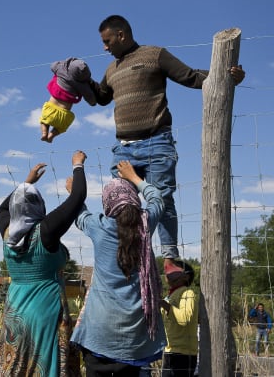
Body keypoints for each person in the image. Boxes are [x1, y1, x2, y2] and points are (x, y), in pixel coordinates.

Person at [87, 14, 246, 268]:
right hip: (123, 149)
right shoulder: (111, 69)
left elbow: (190, 76)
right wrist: (80, 80)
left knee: (161, 199)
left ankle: (170, 259)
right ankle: (128, 254)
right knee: (120, 200)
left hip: (156, 141)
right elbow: (101, 97)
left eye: (107, 41)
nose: (104, 47)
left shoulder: (154, 54)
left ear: (121, 35)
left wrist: (226, 76)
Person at [0, 150, 87, 376]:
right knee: (45, 365)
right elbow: (77, 198)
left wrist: (26, 183)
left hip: (15, 310)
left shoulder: (7, 234)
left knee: (16, 364)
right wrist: (77, 165)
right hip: (46, 310)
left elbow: (3, 209)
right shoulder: (45, 231)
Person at [69, 160, 166, 377]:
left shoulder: (99, 226)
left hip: (98, 333)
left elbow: (80, 213)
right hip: (133, 338)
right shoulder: (145, 224)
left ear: (107, 204)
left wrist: (73, 191)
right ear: (133, 200)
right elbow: (157, 199)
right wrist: (134, 178)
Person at [40, 57, 96, 143]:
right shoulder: (82, 85)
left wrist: (63, 63)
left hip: (50, 108)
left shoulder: (61, 70)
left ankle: (44, 133)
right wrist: (93, 102)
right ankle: (51, 135)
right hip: (64, 115)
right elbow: (90, 97)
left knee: (44, 121)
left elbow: (53, 65)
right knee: (60, 128)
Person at [159, 260, 199, 377]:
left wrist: (165, 305)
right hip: (169, 351)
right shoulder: (170, 295)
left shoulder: (188, 293)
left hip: (184, 354)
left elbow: (184, 319)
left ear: (185, 276)